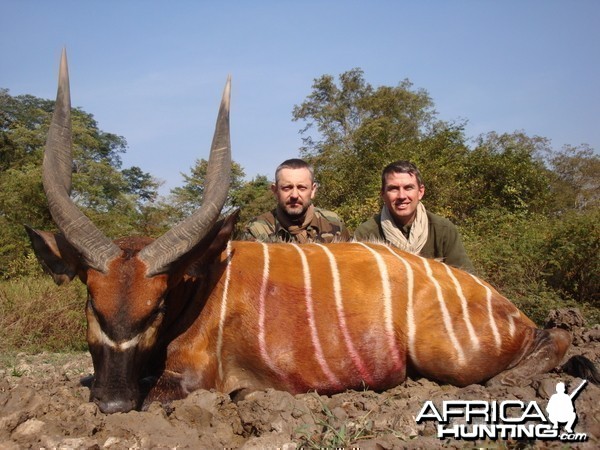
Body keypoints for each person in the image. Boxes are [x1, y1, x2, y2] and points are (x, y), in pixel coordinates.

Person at [354, 160, 475, 272]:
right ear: (383, 194)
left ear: (420, 192)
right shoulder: (366, 234)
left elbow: (467, 280)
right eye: (393, 189)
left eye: (408, 188)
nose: (402, 196)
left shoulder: (443, 230)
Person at [241, 158, 350, 243]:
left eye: (301, 187)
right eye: (287, 188)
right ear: (275, 191)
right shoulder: (257, 229)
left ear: (312, 190)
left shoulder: (333, 222)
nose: (294, 195)